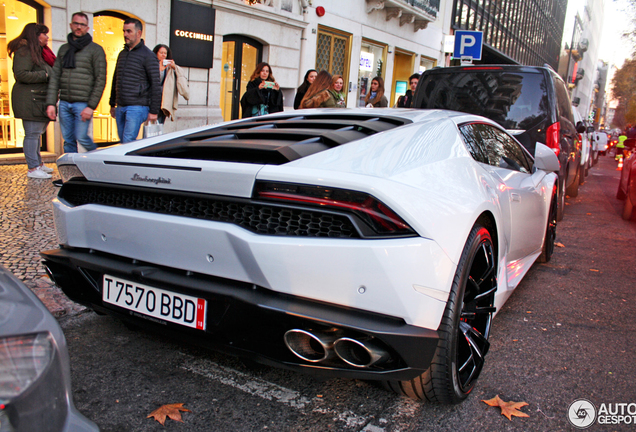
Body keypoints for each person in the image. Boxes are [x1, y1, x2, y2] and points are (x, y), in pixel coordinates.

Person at [46, 12, 107, 153]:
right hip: (64, 102)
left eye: (82, 24)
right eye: (76, 23)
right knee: (68, 140)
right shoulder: (64, 49)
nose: (79, 27)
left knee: (82, 137)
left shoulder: (95, 50)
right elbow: (55, 77)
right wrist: (51, 103)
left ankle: (98, 160)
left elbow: (100, 79)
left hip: (83, 104)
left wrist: (91, 106)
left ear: (87, 28)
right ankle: (72, 171)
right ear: (71, 25)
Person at [8, 23, 53, 179]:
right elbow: (21, 74)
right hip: (29, 99)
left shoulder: (36, 51)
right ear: (36, 35)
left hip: (36, 98)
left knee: (36, 134)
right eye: (44, 34)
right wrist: (45, 75)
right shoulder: (25, 51)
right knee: (32, 134)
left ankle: (38, 164)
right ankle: (33, 168)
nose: (47, 37)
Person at [109, 18, 161, 143]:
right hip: (121, 106)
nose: (125, 34)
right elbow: (115, 78)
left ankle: (125, 163)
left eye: (129, 31)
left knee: (127, 141)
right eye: (124, 31)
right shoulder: (122, 54)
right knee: (123, 141)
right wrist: (112, 103)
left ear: (138, 33)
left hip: (137, 107)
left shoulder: (148, 55)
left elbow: (156, 85)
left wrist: (154, 111)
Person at [152, 44, 189, 124]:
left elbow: (181, 76)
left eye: (165, 53)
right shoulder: (152, 65)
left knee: (160, 124)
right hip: (153, 100)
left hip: (164, 101)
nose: (163, 55)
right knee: (152, 126)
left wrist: (174, 67)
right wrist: (160, 70)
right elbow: (154, 81)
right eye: (161, 52)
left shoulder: (169, 68)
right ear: (156, 53)